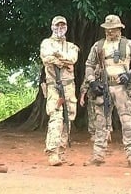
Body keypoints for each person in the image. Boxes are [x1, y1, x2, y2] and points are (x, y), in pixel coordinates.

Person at [83, 14, 131, 169]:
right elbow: (89, 65)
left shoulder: (130, 45)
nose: (110, 32)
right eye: (107, 29)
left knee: (127, 122)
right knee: (101, 123)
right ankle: (98, 155)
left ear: (119, 29)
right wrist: (92, 81)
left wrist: (130, 74)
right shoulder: (98, 46)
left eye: (113, 29)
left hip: (122, 88)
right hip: (103, 87)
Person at [40, 15, 79, 166]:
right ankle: (52, 152)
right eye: (57, 26)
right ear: (52, 27)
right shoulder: (46, 43)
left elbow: (72, 59)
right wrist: (60, 60)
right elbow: (46, 58)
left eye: (62, 26)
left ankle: (62, 151)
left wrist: (58, 56)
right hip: (54, 86)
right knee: (56, 117)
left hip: (69, 86)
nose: (59, 29)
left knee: (69, 118)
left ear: (66, 28)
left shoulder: (71, 46)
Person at [79, 72, 113, 142]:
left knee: (107, 113)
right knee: (93, 114)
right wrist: (82, 97)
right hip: (94, 95)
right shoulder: (92, 69)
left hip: (107, 95)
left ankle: (107, 132)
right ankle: (94, 133)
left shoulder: (109, 68)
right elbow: (86, 83)